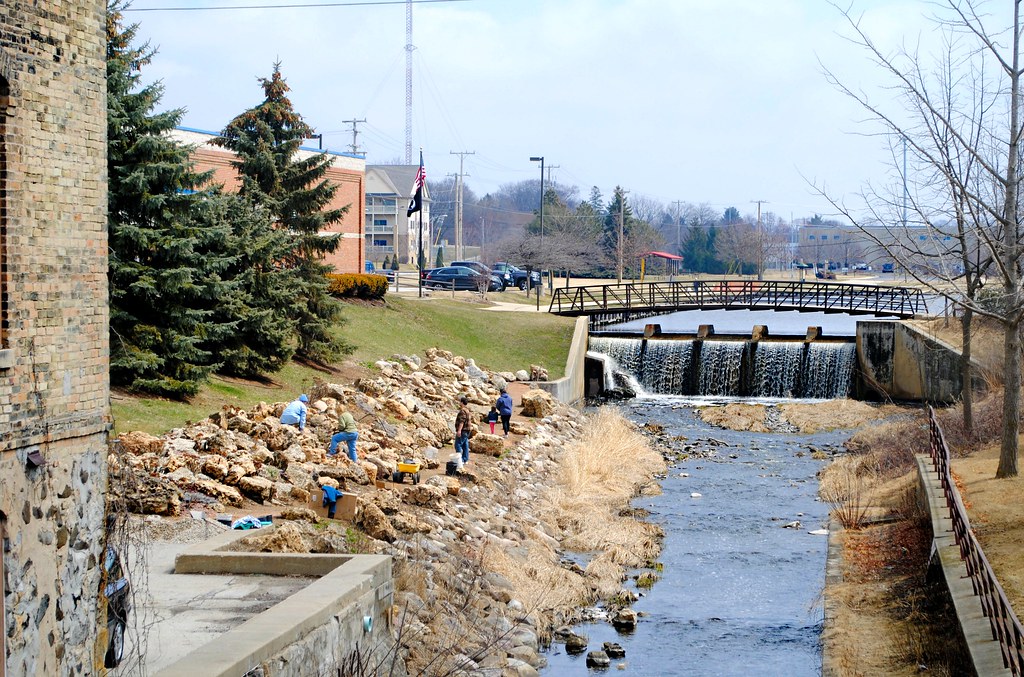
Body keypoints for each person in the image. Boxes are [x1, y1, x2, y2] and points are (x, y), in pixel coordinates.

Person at [454, 395, 471, 465]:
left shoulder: (462, 411)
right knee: (465, 445)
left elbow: (462, 421)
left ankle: (459, 459)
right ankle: (465, 459)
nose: (459, 403)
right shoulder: (467, 410)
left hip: (463, 430)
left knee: (457, 444)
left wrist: (459, 430)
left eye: (460, 402)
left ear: (462, 402)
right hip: (467, 430)